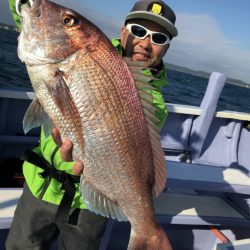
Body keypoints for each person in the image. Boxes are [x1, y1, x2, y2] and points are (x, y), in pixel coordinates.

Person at [6, 0, 178, 249]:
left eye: (158, 38)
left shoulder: (155, 103)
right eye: (139, 31)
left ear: (166, 48)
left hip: (89, 207)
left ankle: (147, 233)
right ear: (123, 32)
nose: (145, 42)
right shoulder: (92, 53)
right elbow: (25, 6)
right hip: (41, 185)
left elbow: (133, 157)